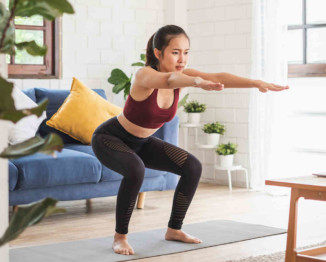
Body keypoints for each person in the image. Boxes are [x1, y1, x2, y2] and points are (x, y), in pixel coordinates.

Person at [91, 24, 289, 256]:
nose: (181, 59)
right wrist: (196, 81)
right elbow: (168, 80)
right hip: (110, 138)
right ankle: (120, 237)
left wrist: (256, 83)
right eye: (175, 52)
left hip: (142, 142)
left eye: (186, 52)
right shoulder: (144, 75)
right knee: (135, 170)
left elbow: (218, 77)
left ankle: (174, 229)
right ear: (158, 53)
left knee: (192, 166)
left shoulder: (183, 74)